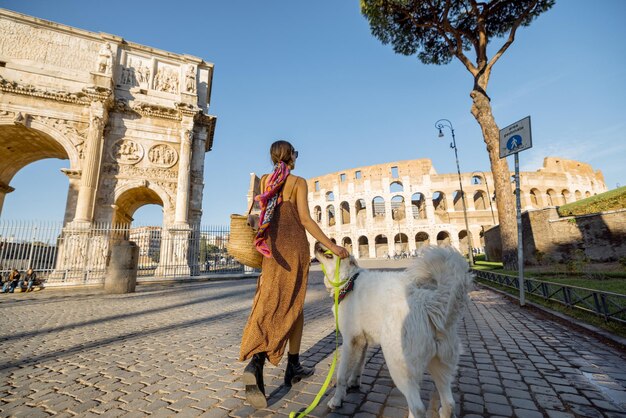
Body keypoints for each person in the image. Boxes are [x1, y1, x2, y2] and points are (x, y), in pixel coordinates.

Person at [240, 140, 349, 409]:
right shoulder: (298, 182)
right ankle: (278, 362)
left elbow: (258, 214)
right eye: (295, 154)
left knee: (270, 300)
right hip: (294, 247)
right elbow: (305, 220)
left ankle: (277, 364)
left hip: (272, 248)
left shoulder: (265, 180)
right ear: (290, 157)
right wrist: (331, 245)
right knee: (293, 303)